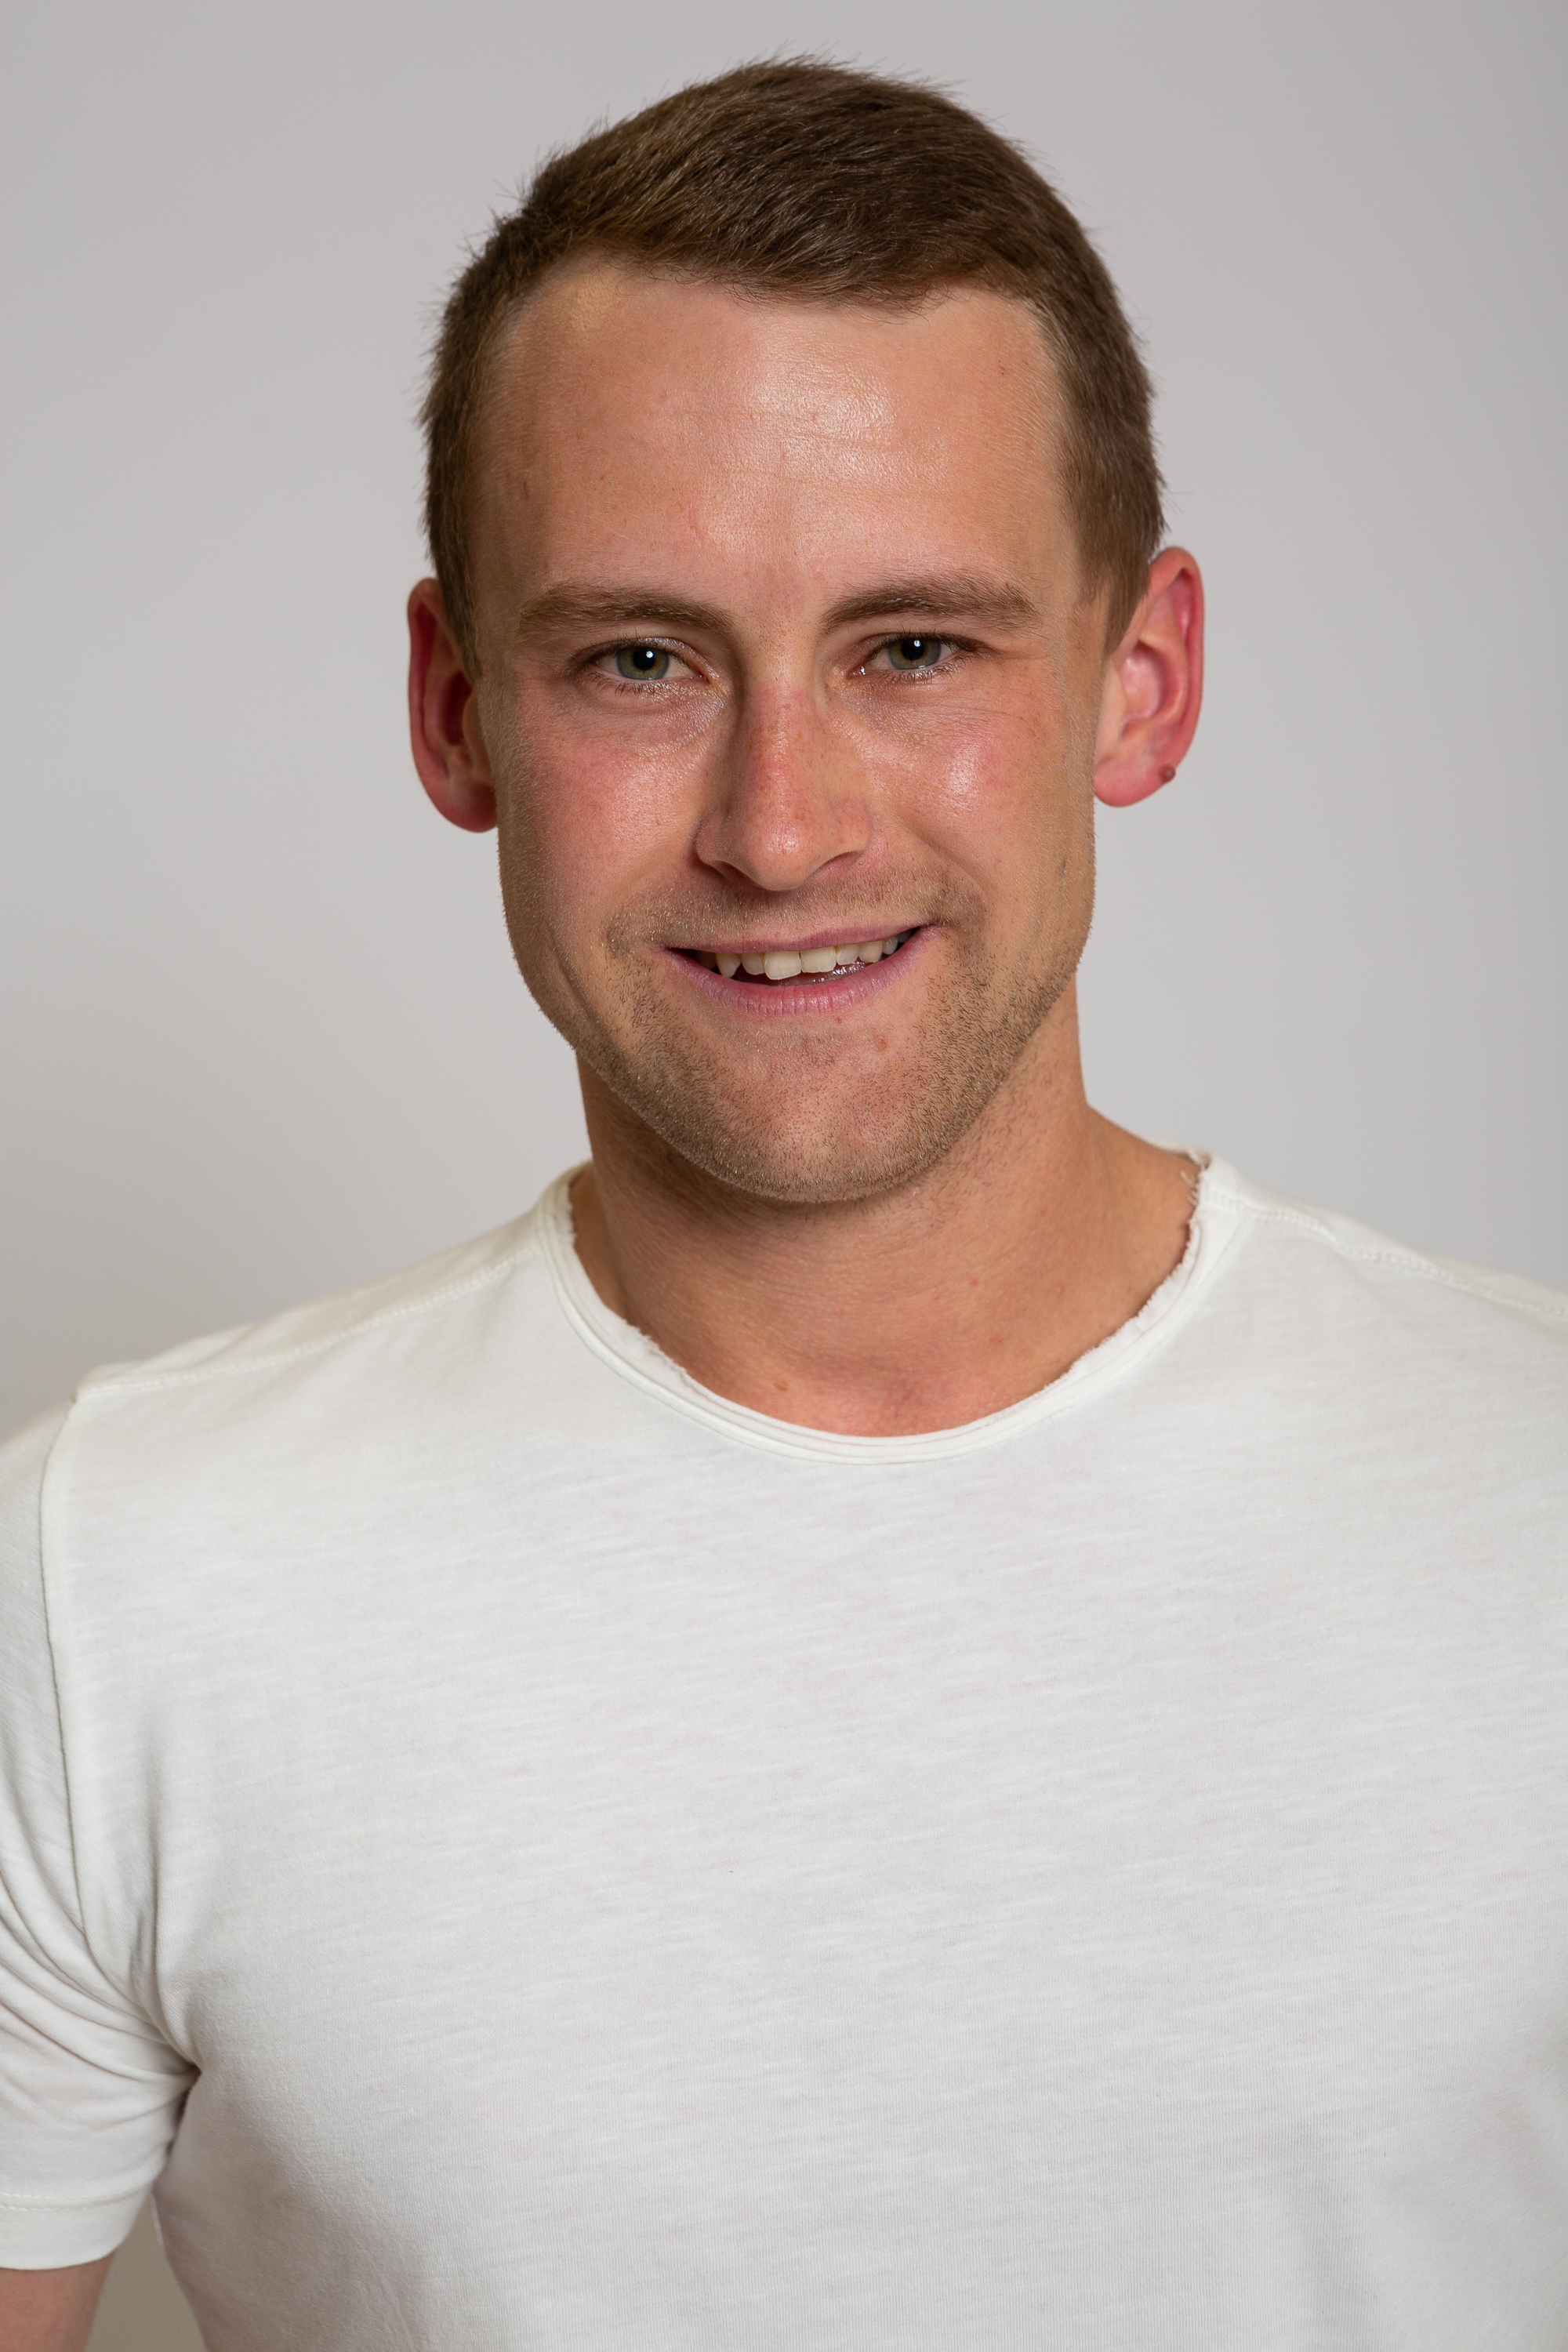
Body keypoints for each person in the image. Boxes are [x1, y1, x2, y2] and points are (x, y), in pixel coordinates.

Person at [2, 56, 1564, 2351]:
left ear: (1141, 684)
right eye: (640, 660)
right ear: (457, 711)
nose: (781, 825)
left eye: (912, 648)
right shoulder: (110, 1580)